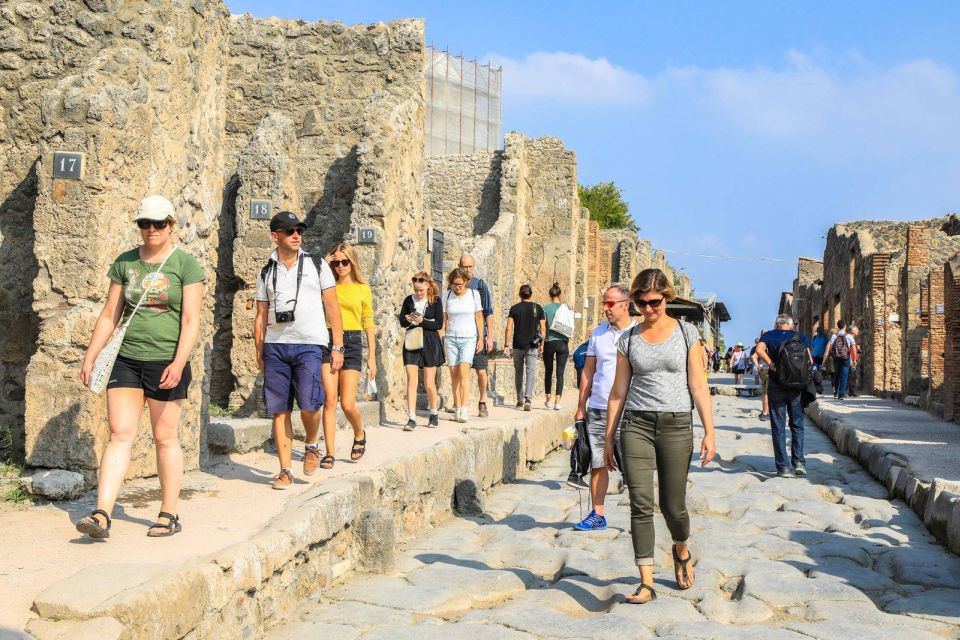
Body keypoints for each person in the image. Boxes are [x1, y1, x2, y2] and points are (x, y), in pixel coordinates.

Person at [77, 195, 206, 538]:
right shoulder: (126, 263)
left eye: (158, 224)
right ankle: (101, 513)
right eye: (144, 224)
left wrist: (179, 362)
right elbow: (110, 313)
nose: (151, 230)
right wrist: (91, 356)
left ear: (170, 225)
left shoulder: (185, 265)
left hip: (166, 360)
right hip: (127, 359)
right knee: (119, 434)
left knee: (165, 438)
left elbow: (191, 320)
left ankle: (168, 513)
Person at [605, 268, 717, 604]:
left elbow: (698, 385)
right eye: (641, 302)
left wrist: (709, 432)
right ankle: (647, 581)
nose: (648, 308)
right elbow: (618, 391)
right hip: (636, 424)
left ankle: (681, 549)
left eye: (654, 302)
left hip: (676, 424)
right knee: (639, 503)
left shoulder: (687, 333)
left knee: (673, 505)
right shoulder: (627, 339)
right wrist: (609, 438)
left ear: (666, 298)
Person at [254, 212, 344, 488]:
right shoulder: (266, 271)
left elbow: (332, 306)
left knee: (310, 404)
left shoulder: (317, 265)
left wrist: (337, 346)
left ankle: (311, 445)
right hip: (276, 346)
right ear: (275, 236)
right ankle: (285, 470)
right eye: (290, 230)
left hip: (309, 344)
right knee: (279, 410)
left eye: (299, 230)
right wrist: (258, 349)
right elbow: (261, 313)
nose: (296, 235)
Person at [572, 284, 636, 530]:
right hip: (599, 407)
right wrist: (581, 405)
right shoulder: (598, 333)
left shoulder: (637, 333)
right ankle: (597, 514)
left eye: (610, 303)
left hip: (629, 409)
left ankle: (638, 515)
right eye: (604, 303)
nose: (606, 308)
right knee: (598, 462)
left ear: (625, 304)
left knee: (632, 464)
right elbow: (589, 370)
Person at [325, 243, 376, 464]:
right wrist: (324, 266)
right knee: (328, 400)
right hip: (327, 339)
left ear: (352, 262)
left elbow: (368, 322)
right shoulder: (327, 286)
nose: (340, 266)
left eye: (344, 261)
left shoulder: (362, 288)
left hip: (353, 342)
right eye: (336, 262)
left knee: (347, 403)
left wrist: (372, 357)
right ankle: (329, 452)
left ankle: (359, 433)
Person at [756, 314, 813, 478]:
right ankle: (799, 462)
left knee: (778, 426)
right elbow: (809, 360)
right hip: (796, 387)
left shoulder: (768, 335)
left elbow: (759, 350)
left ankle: (783, 467)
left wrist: (772, 364)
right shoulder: (800, 336)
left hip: (776, 385)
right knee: (797, 424)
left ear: (776, 324)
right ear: (790, 325)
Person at [399, 272, 444, 430]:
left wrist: (422, 321)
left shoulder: (436, 301)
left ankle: (433, 413)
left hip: (430, 342)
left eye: (421, 290)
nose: (418, 293)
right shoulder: (408, 300)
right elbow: (402, 322)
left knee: (429, 383)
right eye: (416, 290)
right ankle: (411, 418)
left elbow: (439, 324)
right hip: (412, 340)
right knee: (412, 380)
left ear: (427, 285)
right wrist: (408, 319)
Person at [443, 267, 483, 423]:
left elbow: (479, 317)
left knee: (464, 372)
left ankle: (464, 409)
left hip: (468, 338)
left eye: (460, 284)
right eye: (454, 284)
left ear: (466, 282)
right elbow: (444, 319)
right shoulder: (447, 296)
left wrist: (481, 338)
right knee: (453, 374)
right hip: (451, 338)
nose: (457, 288)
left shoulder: (474, 295)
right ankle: (457, 407)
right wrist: (441, 336)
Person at [457, 255, 494, 417]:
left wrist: (489, 336)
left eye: (470, 266)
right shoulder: (454, 286)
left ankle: (482, 401)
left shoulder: (480, 285)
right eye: (465, 267)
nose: (467, 270)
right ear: (459, 266)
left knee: (480, 370)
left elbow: (489, 313)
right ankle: (458, 402)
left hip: (478, 335)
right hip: (460, 334)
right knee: (459, 370)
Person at [504, 284, 546, 411]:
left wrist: (506, 345)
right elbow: (543, 328)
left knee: (518, 372)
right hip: (532, 345)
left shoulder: (514, 309)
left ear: (519, 295)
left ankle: (519, 399)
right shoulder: (538, 308)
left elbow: (509, 328)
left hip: (517, 344)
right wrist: (542, 344)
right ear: (531, 294)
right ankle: (528, 398)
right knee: (531, 371)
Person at [542, 282, 571, 410]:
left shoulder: (545, 308)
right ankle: (557, 402)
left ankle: (548, 399)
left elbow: (542, 327)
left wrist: (541, 343)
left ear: (550, 295)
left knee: (548, 372)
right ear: (560, 294)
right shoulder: (567, 308)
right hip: (563, 343)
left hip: (549, 342)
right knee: (560, 373)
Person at [824, 319, 856, 400]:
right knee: (844, 375)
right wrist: (854, 359)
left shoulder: (834, 336)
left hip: (837, 357)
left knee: (837, 374)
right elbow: (854, 349)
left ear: (838, 326)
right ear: (845, 326)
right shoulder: (849, 336)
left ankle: (836, 393)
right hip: (846, 358)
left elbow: (830, 347)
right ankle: (841, 394)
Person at [750, 336, 770, 421]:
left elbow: (753, 357)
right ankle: (769, 411)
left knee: (765, 391)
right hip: (774, 369)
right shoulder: (773, 344)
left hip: (764, 369)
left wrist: (758, 366)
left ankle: (765, 412)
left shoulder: (760, 347)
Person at [848, 324, 860, 397]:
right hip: (852, 360)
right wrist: (854, 360)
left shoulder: (850, 338)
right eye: (857, 330)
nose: (858, 331)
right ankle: (852, 392)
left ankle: (851, 392)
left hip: (851, 359)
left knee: (852, 375)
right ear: (853, 331)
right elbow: (851, 350)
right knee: (853, 376)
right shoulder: (851, 338)